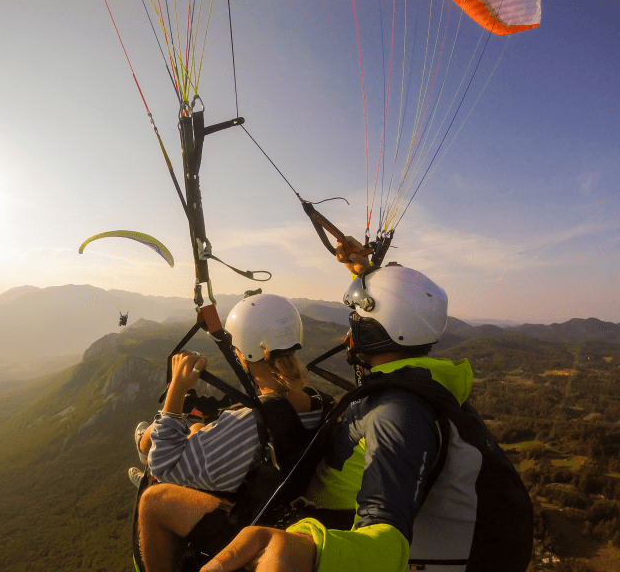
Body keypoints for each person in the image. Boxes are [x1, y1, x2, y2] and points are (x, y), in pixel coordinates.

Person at [199, 239, 529, 572]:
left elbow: (386, 537)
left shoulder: (398, 411)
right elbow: (398, 315)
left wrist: (308, 550)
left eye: (356, 319)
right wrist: (367, 273)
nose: (349, 330)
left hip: (325, 522)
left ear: (374, 332)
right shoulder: (423, 383)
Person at [135, 294, 327, 572]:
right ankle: (178, 437)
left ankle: (148, 446)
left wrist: (176, 388)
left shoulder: (250, 422)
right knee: (198, 427)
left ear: (244, 353)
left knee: (153, 500)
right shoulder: (315, 400)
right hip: (283, 497)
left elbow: (164, 465)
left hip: (252, 519)